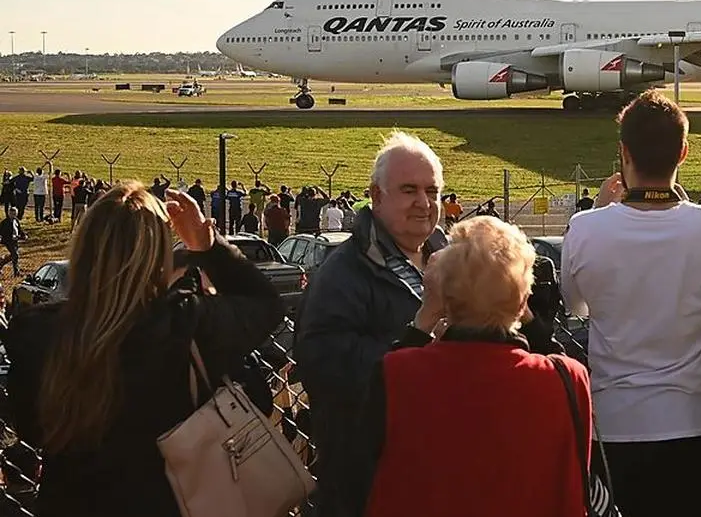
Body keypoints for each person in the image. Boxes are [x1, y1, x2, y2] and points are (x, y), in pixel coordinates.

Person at [3, 182, 283, 517]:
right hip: (172, 501)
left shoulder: (38, 334)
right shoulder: (184, 322)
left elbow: (31, 430)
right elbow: (266, 305)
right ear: (156, 256)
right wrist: (206, 245)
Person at [560, 90, 701, 517]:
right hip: (695, 421)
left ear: (623, 152)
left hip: (616, 425)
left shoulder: (586, 229)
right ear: (683, 151)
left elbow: (576, 307)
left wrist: (602, 215)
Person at [352, 216, 591, 517]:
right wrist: (523, 307)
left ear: (445, 300)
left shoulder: (398, 373)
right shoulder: (566, 379)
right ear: (523, 302)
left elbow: (365, 467)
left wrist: (426, 314)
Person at [294, 132, 449, 517]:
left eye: (433, 191)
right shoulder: (342, 274)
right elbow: (325, 368)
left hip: (440, 475)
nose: (424, 203)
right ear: (376, 197)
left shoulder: (447, 261)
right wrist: (421, 335)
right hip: (368, 483)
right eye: (409, 190)